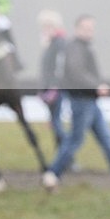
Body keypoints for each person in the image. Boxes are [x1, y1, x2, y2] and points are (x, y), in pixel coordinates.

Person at [42, 14, 110, 190]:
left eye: (91, 28)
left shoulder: (82, 47)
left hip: (90, 101)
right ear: (77, 29)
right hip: (81, 101)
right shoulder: (75, 48)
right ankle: (52, 173)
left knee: (106, 138)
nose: (90, 32)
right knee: (75, 139)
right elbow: (77, 71)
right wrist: (97, 86)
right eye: (86, 28)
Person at [37, 9, 68, 148]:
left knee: (56, 123)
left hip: (56, 90)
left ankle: (66, 155)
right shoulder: (50, 44)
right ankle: (62, 154)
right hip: (49, 88)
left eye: (48, 26)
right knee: (54, 124)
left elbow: (59, 68)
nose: (45, 30)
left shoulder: (59, 44)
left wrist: (54, 88)